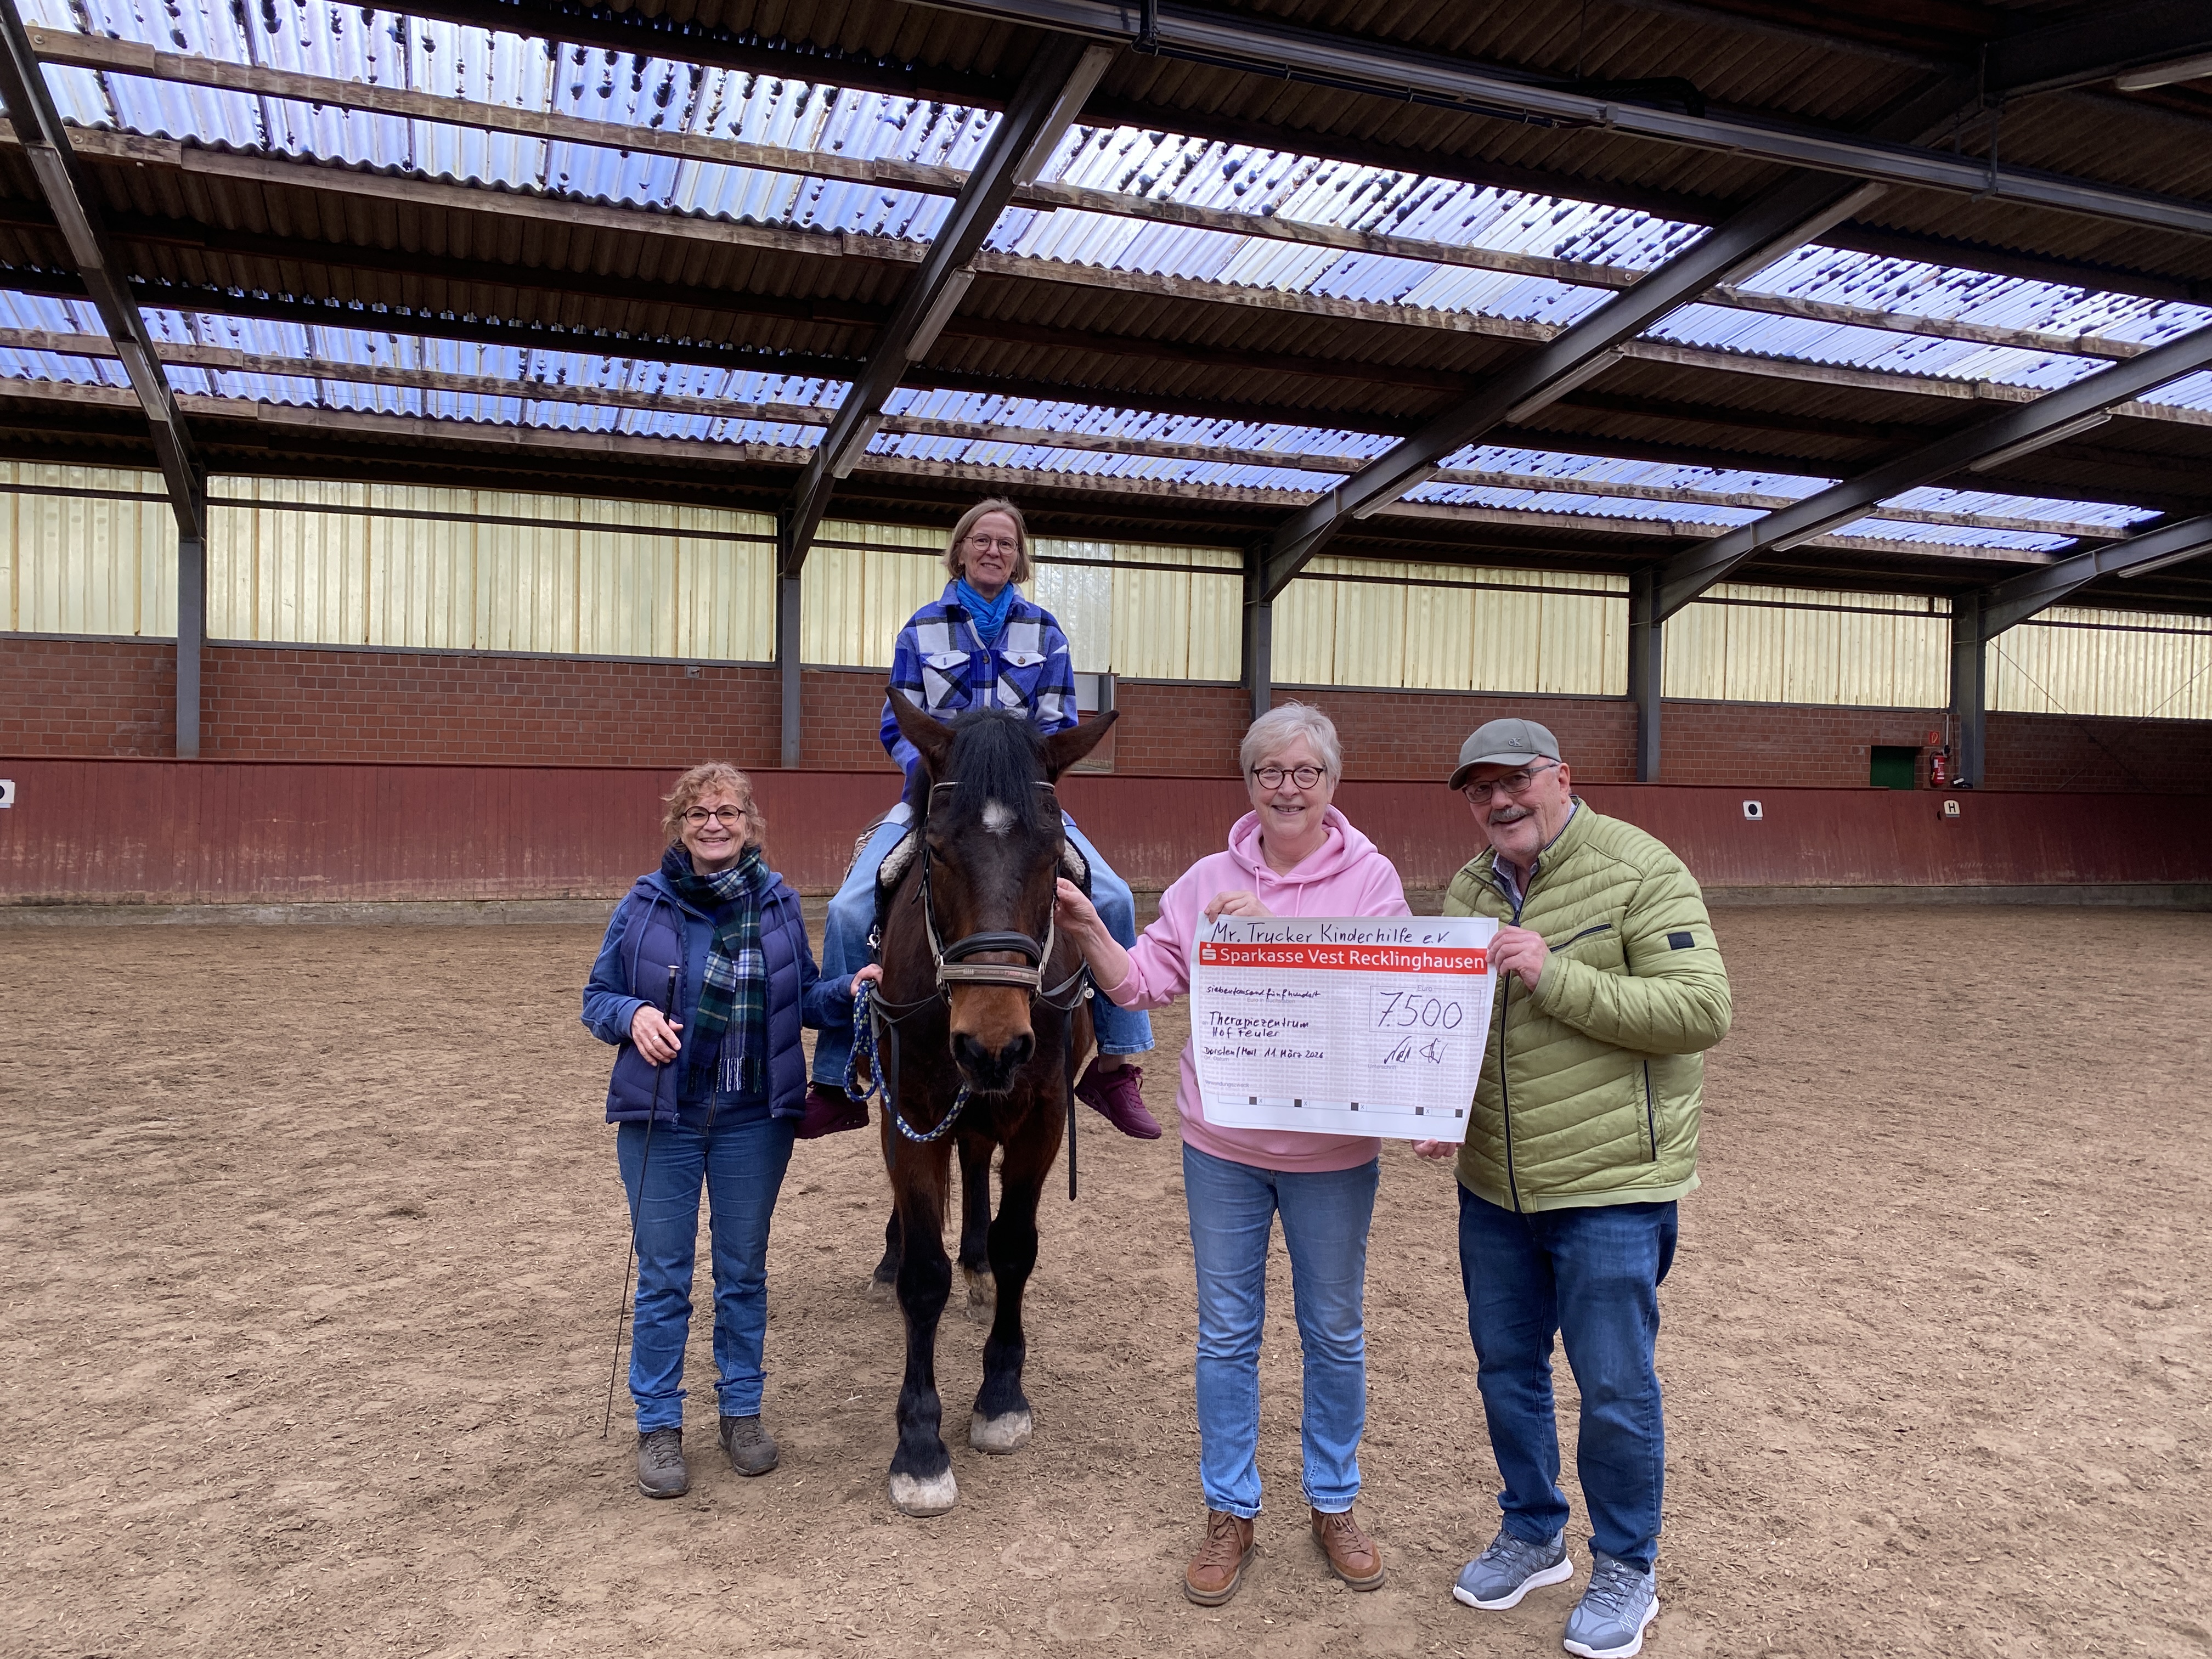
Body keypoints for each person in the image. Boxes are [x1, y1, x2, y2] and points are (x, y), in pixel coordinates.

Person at [1053, 703, 1408, 1607]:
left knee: (1332, 1329)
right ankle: (1230, 1509)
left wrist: (1278, 941)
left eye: (1304, 772)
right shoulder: (1205, 878)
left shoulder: (1371, 880)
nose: (1286, 788)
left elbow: (1389, 995)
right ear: (1249, 782)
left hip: (1331, 1148)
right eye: (1268, 772)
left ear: (1331, 782)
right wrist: (1091, 927)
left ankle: (1334, 1502)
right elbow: (1144, 981)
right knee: (1226, 1330)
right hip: (1223, 1143)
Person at [1412, 719, 1731, 1659]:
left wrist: (1558, 972)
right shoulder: (1470, 885)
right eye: (1479, 790)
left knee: (1613, 1383)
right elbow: (1458, 1016)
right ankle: (1533, 1528)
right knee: (1506, 1368)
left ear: (1560, 777)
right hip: (1494, 1183)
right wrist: (1440, 1099)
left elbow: (1701, 1009)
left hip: (1608, 1183)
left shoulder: (1640, 868)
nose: (1499, 800)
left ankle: (1626, 1560)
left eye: (1516, 781)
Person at [802, 496, 1158, 1139]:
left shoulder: (1045, 632)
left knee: (1112, 896)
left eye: (1007, 543)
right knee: (849, 910)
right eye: (983, 540)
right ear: (961, 549)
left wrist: (1025, 774)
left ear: (1020, 558)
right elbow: (897, 722)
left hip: (1024, 798)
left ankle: (1114, 1061)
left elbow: (1057, 724)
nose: (995, 551)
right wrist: (942, 774)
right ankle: (836, 1073)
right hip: (941, 796)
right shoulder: (921, 629)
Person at [582, 763, 858, 1499]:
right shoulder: (643, 905)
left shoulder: (778, 903)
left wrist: (854, 991)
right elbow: (597, 996)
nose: (714, 823)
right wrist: (632, 1017)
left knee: (744, 1273)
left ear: (748, 823)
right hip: (661, 1121)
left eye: (728, 812)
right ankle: (661, 1426)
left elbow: (804, 999)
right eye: (699, 813)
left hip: (752, 1121)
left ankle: (741, 1411)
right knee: (665, 1277)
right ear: (678, 826)